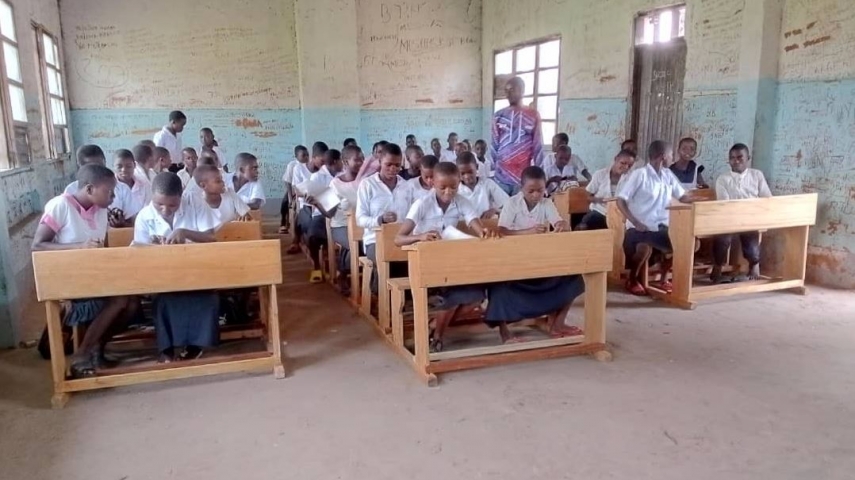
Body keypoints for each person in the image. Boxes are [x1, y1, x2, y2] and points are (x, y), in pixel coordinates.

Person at [33, 164, 139, 378]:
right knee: (120, 299)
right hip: (68, 278)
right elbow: (37, 245)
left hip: (94, 276)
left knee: (133, 304)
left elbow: (103, 249)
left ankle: (97, 346)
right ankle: (82, 354)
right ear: (90, 189)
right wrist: (78, 247)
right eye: (109, 191)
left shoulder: (101, 211)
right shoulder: (60, 205)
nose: (113, 197)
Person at [394, 162, 493, 352]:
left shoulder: (462, 201)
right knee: (455, 295)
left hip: (451, 263)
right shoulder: (422, 204)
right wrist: (421, 236)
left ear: (459, 183)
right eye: (443, 187)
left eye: (454, 187)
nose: (448, 192)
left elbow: (477, 226)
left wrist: (484, 233)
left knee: (476, 297)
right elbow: (398, 239)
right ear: (432, 183)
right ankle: (438, 335)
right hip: (425, 262)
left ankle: (434, 325)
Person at [488, 166, 585, 344]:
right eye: (530, 191)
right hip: (514, 259)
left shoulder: (546, 203)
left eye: (540, 190)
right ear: (521, 188)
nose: (535, 195)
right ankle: (505, 333)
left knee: (573, 277)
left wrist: (561, 225)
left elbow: (558, 221)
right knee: (498, 286)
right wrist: (528, 232)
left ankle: (558, 323)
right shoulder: (512, 203)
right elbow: (502, 231)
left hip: (540, 258)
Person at [132, 172, 219, 363]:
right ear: (152, 197)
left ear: (181, 196)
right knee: (164, 300)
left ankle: (195, 345)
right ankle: (166, 348)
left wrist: (185, 233)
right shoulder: (144, 216)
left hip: (197, 269)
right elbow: (139, 253)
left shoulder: (195, 203)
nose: (165, 210)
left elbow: (211, 237)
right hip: (163, 274)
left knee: (206, 298)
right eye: (159, 204)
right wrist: (155, 246)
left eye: (172, 205)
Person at [616, 140, 696, 296]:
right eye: (671, 155)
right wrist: (635, 222)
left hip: (660, 227)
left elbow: (682, 196)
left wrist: (697, 200)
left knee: (688, 242)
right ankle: (632, 279)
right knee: (645, 247)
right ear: (662, 157)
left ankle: (664, 277)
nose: (673, 158)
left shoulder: (667, 174)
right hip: (639, 229)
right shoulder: (639, 175)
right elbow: (620, 200)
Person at [355, 143, 413, 294]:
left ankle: (404, 296)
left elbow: (412, 215)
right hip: (374, 240)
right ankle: (383, 295)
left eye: (397, 165)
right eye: (388, 164)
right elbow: (360, 218)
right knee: (387, 258)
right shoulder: (367, 184)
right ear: (380, 161)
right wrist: (379, 219)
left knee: (415, 258)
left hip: (401, 238)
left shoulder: (406, 186)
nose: (393, 169)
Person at [711, 143, 772, 284]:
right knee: (722, 239)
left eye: (740, 157)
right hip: (728, 219)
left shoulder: (757, 175)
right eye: (732, 158)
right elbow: (724, 204)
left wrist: (753, 212)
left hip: (750, 218)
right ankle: (717, 266)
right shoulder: (723, 179)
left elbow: (767, 198)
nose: (736, 161)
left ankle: (754, 264)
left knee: (751, 245)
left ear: (748, 158)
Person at [490, 77, 544, 195]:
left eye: (512, 90)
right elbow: (494, 145)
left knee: (521, 206)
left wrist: (540, 175)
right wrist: (492, 171)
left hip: (523, 177)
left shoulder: (533, 115)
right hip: (501, 176)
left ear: (522, 90)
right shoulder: (499, 115)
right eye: (506, 91)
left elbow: (538, 146)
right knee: (501, 206)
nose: (508, 94)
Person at [64, 145, 134, 228]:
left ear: (105, 162)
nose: (97, 171)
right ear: (80, 166)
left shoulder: (122, 189)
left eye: (100, 166)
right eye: (91, 168)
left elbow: (132, 224)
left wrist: (121, 224)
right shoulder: (71, 191)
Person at [304, 149, 344, 283]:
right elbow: (315, 198)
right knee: (313, 236)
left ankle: (339, 265)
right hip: (321, 213)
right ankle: (316, 266)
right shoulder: (317, 177)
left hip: (341, 214)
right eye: (341, 161)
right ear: (335, 162)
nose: (343, 164)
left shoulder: (343, 175)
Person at [329, 145, 365, 293]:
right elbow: (330, 212)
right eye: (356, 160)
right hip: (341, 225)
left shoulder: (365, 181)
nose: (361, 162)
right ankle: (343, 273)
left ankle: (370, 279)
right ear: (345, 162)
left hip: (362, 224)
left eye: (362, 159)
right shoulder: (335, 184)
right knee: (354, 243)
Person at [577, 149, 636, 230]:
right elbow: (587, 197)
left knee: (628, 228)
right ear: (616, 159)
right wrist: (600, 200)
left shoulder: (631, 178)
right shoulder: (600, 174)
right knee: (584, 226)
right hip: (600, 211)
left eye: (629, 166)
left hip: (620, 214)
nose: (626, 167)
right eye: (623, 163)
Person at [288, 142, 327, 254]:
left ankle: (323, 247)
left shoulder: (324, 171)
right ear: (314, 157)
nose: (324, 164)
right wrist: (310, 194)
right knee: (309, 222)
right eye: (322, 161)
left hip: (322, 204)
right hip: (305, 204)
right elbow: (296, 190)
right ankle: (297, 241)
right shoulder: (299, 168)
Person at [186, 165, 251, 229]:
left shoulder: (230, 193)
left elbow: (247, 216)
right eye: (218, 181)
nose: (223, 183)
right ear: (203, 185)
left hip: (234, 234)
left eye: (222, 179)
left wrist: (245, 218)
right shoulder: (197, 205)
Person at [457, 152, 508, 219]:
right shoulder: (455, 190)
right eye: (462, 173)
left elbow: (508, 204)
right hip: (463, 224)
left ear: (477, 167)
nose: (467, 176)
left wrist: (495, 210)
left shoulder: (488, 184)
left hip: (486, 223)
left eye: (470, 172)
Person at [112, 149, 148, 223]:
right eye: (119, 166)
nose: (124, 170)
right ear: (113, 167)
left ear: (134, 165)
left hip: (142, 224)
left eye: (128, 166)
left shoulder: (144, 184)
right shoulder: (110, 187)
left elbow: (148, 210)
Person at [280, 145, 309, 235]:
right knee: (285, 202)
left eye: (307, 155)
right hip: (293, 189)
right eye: (303, 155)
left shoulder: (309, 165)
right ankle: (283, 222)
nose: (306, 157)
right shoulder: (292, 165)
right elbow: (287, 181)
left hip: (305, 189)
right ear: (296, 157)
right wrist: (289, 196)